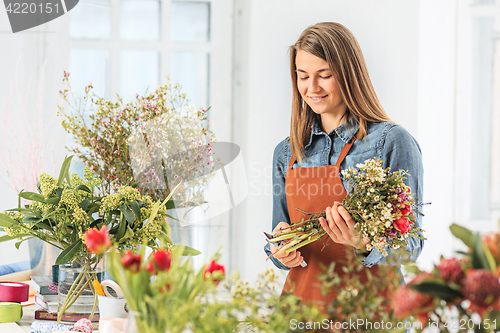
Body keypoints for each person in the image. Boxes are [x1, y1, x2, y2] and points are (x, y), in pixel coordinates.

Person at [264, 22, 424, 310]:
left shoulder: (391, 142)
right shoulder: (286, 152)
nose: (312, 88)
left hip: (371, 315)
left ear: (349, 74)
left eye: (324, 75)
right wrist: (279, 250)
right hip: (302, 314)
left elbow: (410, 249)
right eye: (303, 76)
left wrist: (364, 244)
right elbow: (279, 239)